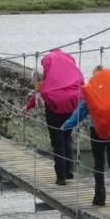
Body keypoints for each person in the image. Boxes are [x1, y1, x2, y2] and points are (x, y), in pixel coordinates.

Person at [61, 65, 110, 207]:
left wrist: (67, 125)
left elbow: (81, 112)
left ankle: (100, 197)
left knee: (99, 163)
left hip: (97, 129)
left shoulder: (92, 91)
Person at [22, 49, 84, 185]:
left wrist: (28, 106)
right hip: (71, 107)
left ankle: (61, 177)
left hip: (54, 110)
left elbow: (39, 91)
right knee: (67, 138)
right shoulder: (71, 69)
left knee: (58, 144)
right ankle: (69, 170)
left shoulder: (48, 72)